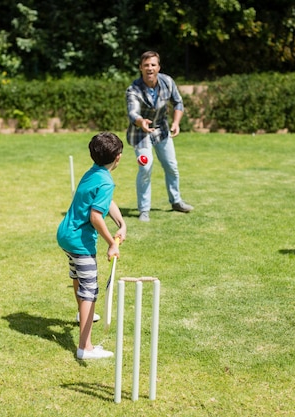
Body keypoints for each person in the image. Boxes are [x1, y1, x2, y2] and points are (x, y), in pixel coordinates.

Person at [57, 132, 127, 360]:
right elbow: (96, 216)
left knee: (78, 275)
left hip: (66, 234)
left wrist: (121, 223)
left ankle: (82, 315)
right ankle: (84, 348)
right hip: (80, 241)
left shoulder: (94, 173)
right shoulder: (106, 180)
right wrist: (111, 244)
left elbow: (106, 201)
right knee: (90, 291)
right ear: (118, 157)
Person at [126, 50, 193, 222]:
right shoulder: (133, 89)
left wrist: (176, 123)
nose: (150, 68)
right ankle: (144, 210)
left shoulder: (167, 81)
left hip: (162, 131)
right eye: (146, 65)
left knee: (171, 166)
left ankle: (176, 201)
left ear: (158, 67)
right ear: (140, 68)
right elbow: (133, 113)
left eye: (153, 65)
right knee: (145, 168)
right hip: (140, 134)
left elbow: (178, 102)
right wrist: (142, 122)